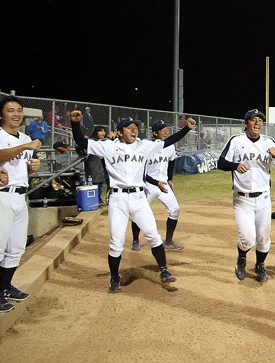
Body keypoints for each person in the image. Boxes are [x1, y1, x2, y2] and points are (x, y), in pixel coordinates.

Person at [69, 111, 196, 292]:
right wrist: (75, 124)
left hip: (138, 197)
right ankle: (114, 278)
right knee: (117, 242)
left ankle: (164, 270)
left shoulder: (143, 146)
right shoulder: (108, 147)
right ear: (120, 132)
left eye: (135, 127)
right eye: (130, 128)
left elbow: (168, 141)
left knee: (153, 235)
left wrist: (186, 129)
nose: (134, 130)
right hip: (118, 198)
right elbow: (82, 142)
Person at [0, 96, 42, 313]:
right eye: (10, 110)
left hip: (19, 196)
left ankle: (5, 287)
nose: (16, 114)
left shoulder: (24, 136)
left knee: (16, 247)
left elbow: (23, 167)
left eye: (19, 110)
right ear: (0, 115)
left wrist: (33, 166)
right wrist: (25, 146)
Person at [217, 109, 275, 282]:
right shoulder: (236, 140)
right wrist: (235, 165)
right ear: (245, 123)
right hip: (242, 199)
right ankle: (241, 258)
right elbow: (221, 162)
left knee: (263, 238)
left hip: (263, 198)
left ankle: (260, 266)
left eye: (260, 120)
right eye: (253, 120)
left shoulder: (268, 142)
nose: (257, 123)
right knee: (248, 239)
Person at [131, 120, 187, 251]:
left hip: (163, 184)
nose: (166, 131)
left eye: (166, 128)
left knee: (175, 210)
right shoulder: (147, 146)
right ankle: (135, 240)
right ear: (155, 132)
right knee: (138, 211)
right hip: (148, 185)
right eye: (162, 129)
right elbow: (142, 173)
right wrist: (156, 183)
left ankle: (168, 241)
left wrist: (170, 179)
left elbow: (172, 161)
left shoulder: (170, 147)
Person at [84, 126, 109, 206]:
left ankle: (100, 200)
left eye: (104, 131)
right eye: (100, 131)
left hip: (102, 167)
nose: (103, 133)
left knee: (101, 184)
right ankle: (95, 201)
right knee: (94, 184)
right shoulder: (91, 141)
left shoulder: (106, 142)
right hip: (93, 165)